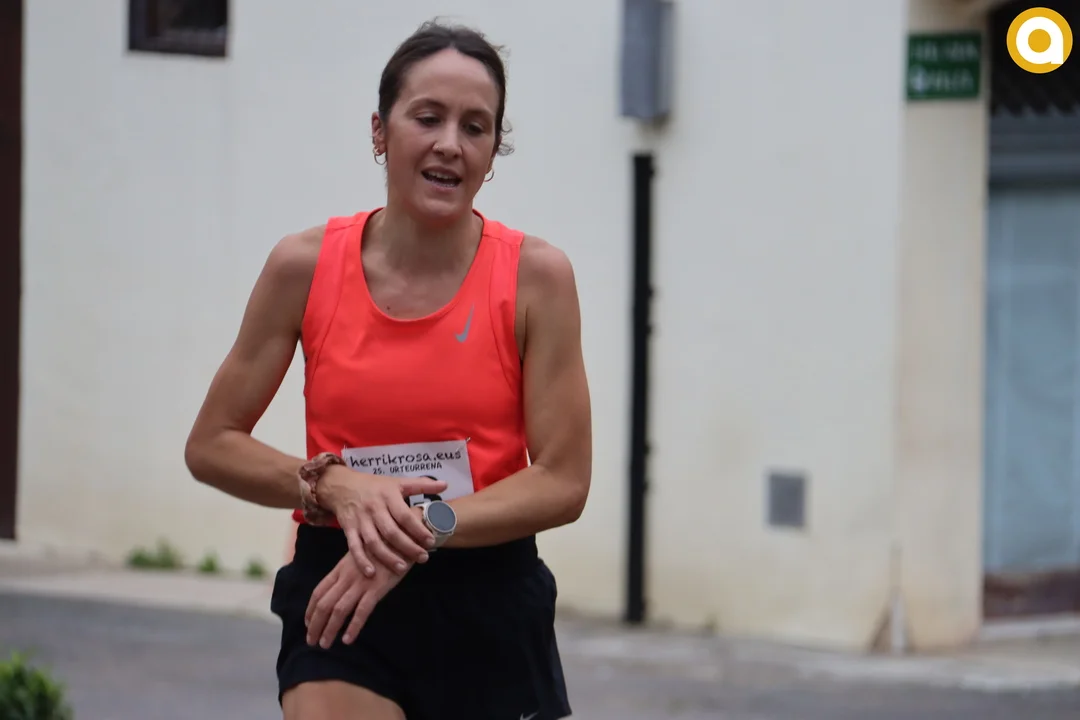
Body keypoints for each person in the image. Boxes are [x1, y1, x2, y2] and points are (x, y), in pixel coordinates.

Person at [183, 19, 592, 720]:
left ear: (492, 151)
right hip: (344, 589)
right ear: (380, 131)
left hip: (488, 596)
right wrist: (332, 485)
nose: (450, 143)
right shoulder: (304, 266)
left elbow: (563, 480)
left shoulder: (537, 278)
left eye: (475, 127)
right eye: (427, 118)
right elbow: (212, 444)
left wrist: (421, 524)